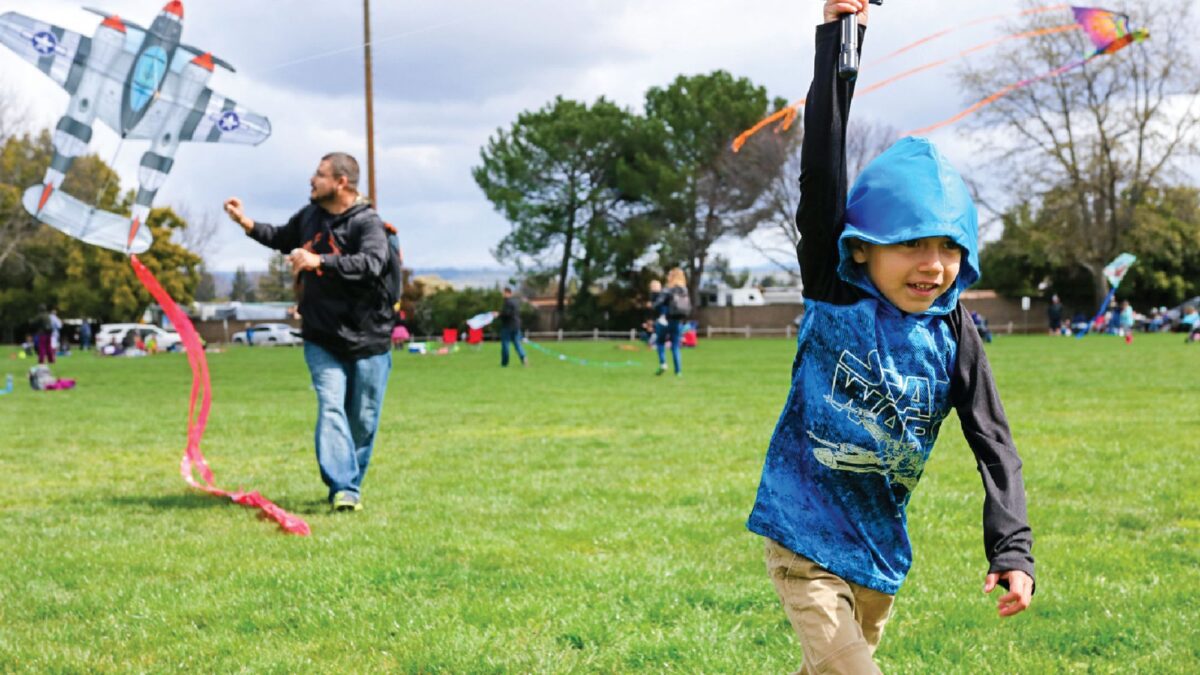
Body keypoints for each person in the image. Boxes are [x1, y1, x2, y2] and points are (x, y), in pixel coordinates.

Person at [746, 4, 1035, 671]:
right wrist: (841, 38)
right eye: (910, 244)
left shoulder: (955, 332)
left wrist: (1013, 550)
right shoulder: (836, 291)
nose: (932, 265)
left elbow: (994, 442)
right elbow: (821, 168)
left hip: (878, 552)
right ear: (863, 247)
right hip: (804, 538)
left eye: (947, 246)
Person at [223, 152, 394, 513]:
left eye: (319, 175)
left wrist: (321, 261)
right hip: (321, 336)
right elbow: (281, 237)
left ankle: (350, 482)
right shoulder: (310, 216)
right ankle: (344, 487)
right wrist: (245, 222)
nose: (311, 181)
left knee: (362, 420)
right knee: (331, 405)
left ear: (341, 182)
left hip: (369, 338)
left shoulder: (367, 223)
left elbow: (373, 263)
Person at [653, 268, 689, 377]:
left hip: (665, 320)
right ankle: (678, 371)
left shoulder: (668, 289)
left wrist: (655, 297)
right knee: (675, 346)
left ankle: (663, 363)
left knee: (660, 342)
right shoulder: (684, 290)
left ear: (672, 277)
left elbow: (657, 303)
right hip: (677, 321)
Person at [494, 287, 527, 367]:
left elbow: (507, 314)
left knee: (505, 345)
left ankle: (504, 363)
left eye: (503, 293)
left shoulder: (507, 302)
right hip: (516, 326)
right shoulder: (516, 301)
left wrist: (498, 314)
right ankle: (523, 357)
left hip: (508, 326)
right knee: (517, 344)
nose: (502, 294)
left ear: (507, 293)